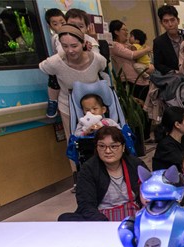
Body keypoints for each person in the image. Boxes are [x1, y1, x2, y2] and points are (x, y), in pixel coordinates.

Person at [39, 24, 108, 187]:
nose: (70, 50)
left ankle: (105, 172)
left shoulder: (96, 59)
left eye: (74, 45)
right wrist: (60, 55)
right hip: (69, 106)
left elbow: (104, 66)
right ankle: (79, 177)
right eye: (65, 46)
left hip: (93, 107)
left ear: (83, 43)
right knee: (74, 141)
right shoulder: (56, 62)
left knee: (100, 136)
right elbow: (43, 67)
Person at [58, 126, 146, 221]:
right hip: (100, 216)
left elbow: (152, 190)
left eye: (113, 146)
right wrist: (105, 224)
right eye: (102, 146)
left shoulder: (136, 164)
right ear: (96, 147)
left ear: (123, 147)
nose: (108, 151)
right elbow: (86, 205)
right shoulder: (88, 169)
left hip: (134, 214)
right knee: (64, 218)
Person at [109, 20, 152, 101]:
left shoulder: (130, 45)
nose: (127, 32)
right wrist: (147, 49)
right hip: (130, 83)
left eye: (127, 30)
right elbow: (132, 55)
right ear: (116, 32)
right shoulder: (114, 45)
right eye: (124, 30)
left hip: (143, 82)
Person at [43, 8, 65, 118]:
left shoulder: (69, 36)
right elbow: (59, 53)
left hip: (70, 65)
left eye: (62, 22)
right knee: (53, 75)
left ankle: (53, 101)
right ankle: (53, 101)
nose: (60, 26)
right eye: (55, 24)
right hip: (61, 66)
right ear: (50, 26)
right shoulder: (56, 37)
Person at [153, 5, 181, 75]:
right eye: (166, 21)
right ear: (161, 23)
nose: (170, 24)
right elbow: (158, 64)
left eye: (172, 20)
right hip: (174, 77)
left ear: (178, 20)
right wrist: (173, 72)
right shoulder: (159, 42)